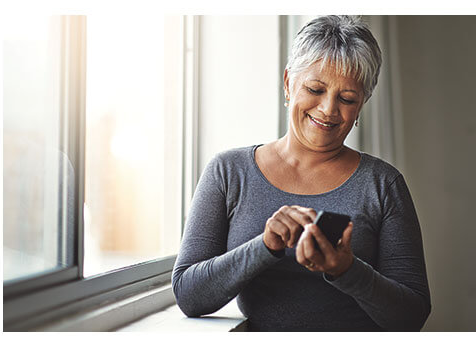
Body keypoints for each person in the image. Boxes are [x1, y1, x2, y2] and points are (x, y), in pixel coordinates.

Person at [172, 15, 431, 331]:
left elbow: (413, 315)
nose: (328, 109)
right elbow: (188, 294)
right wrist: (265, 246)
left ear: (362, 105)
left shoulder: (383, 184)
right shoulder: (228, 172)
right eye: (315, 89)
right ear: (287, 83)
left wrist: (347, 270)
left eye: (347, 98)